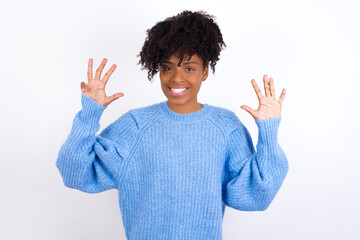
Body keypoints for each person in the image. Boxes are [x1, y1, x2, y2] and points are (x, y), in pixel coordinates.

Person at [56, 10, 288, 240]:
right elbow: (75, 173)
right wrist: (89, 115)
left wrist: (268, 133)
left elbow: (257, 195)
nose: (176, 77)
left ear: (205, 72)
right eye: (167, 67)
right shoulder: (136, 126)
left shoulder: (226, 128)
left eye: (189, 68)